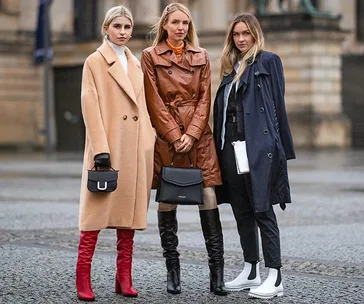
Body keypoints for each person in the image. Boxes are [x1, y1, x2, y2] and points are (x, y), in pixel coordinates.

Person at [141, 2, 227, 296]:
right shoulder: (150, 56)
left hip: (199, 136)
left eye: (185, 23)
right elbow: (153, 99)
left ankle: (217, 274)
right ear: (165, 25)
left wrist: (191, 133)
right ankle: (173, 271)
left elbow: (205, 99)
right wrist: (175, 134)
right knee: (168, 198)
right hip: (167, 136)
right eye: (175, 22)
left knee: (207, 194)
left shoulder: (201, 56)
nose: (181, 27)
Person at [213, 13, 296, 299]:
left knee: (262, 209)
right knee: (242, 209)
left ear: (255, 34)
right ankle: (251, 270)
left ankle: (275, 275)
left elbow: (277, 107)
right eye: (236, 34)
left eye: (246, 33)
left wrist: (278, 147)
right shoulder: (229, 67)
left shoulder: (268, 61)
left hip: (258, 149)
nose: (241, 38)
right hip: (230, 149)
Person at [76, 5, 155, 301]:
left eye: (127, 27)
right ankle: (82, 278)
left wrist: (148, 138)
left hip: (134, 147)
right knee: (94, 216)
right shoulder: (94, 61)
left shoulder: (135, 63)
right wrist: (100, 149)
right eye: (117, 26)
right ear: (106, 28)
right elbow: (90, 105)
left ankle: (124, 278)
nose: (123, 32)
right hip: (107, 149)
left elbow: (143, 107)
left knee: (128, 219)